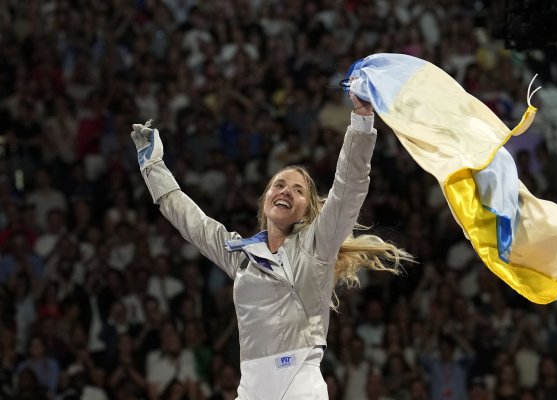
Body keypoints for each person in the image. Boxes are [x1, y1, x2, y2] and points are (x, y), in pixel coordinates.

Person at [130, 90, 412, 399]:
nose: (286, 191)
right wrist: (151, 165)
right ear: (265, 198)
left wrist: (361, 121)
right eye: (279, 185)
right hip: (251, 388)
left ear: (307, 209)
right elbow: (190, 221)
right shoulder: (240, 255)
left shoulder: (317, 247)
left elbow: (350, 186)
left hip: (300, 387)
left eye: (297, 190)